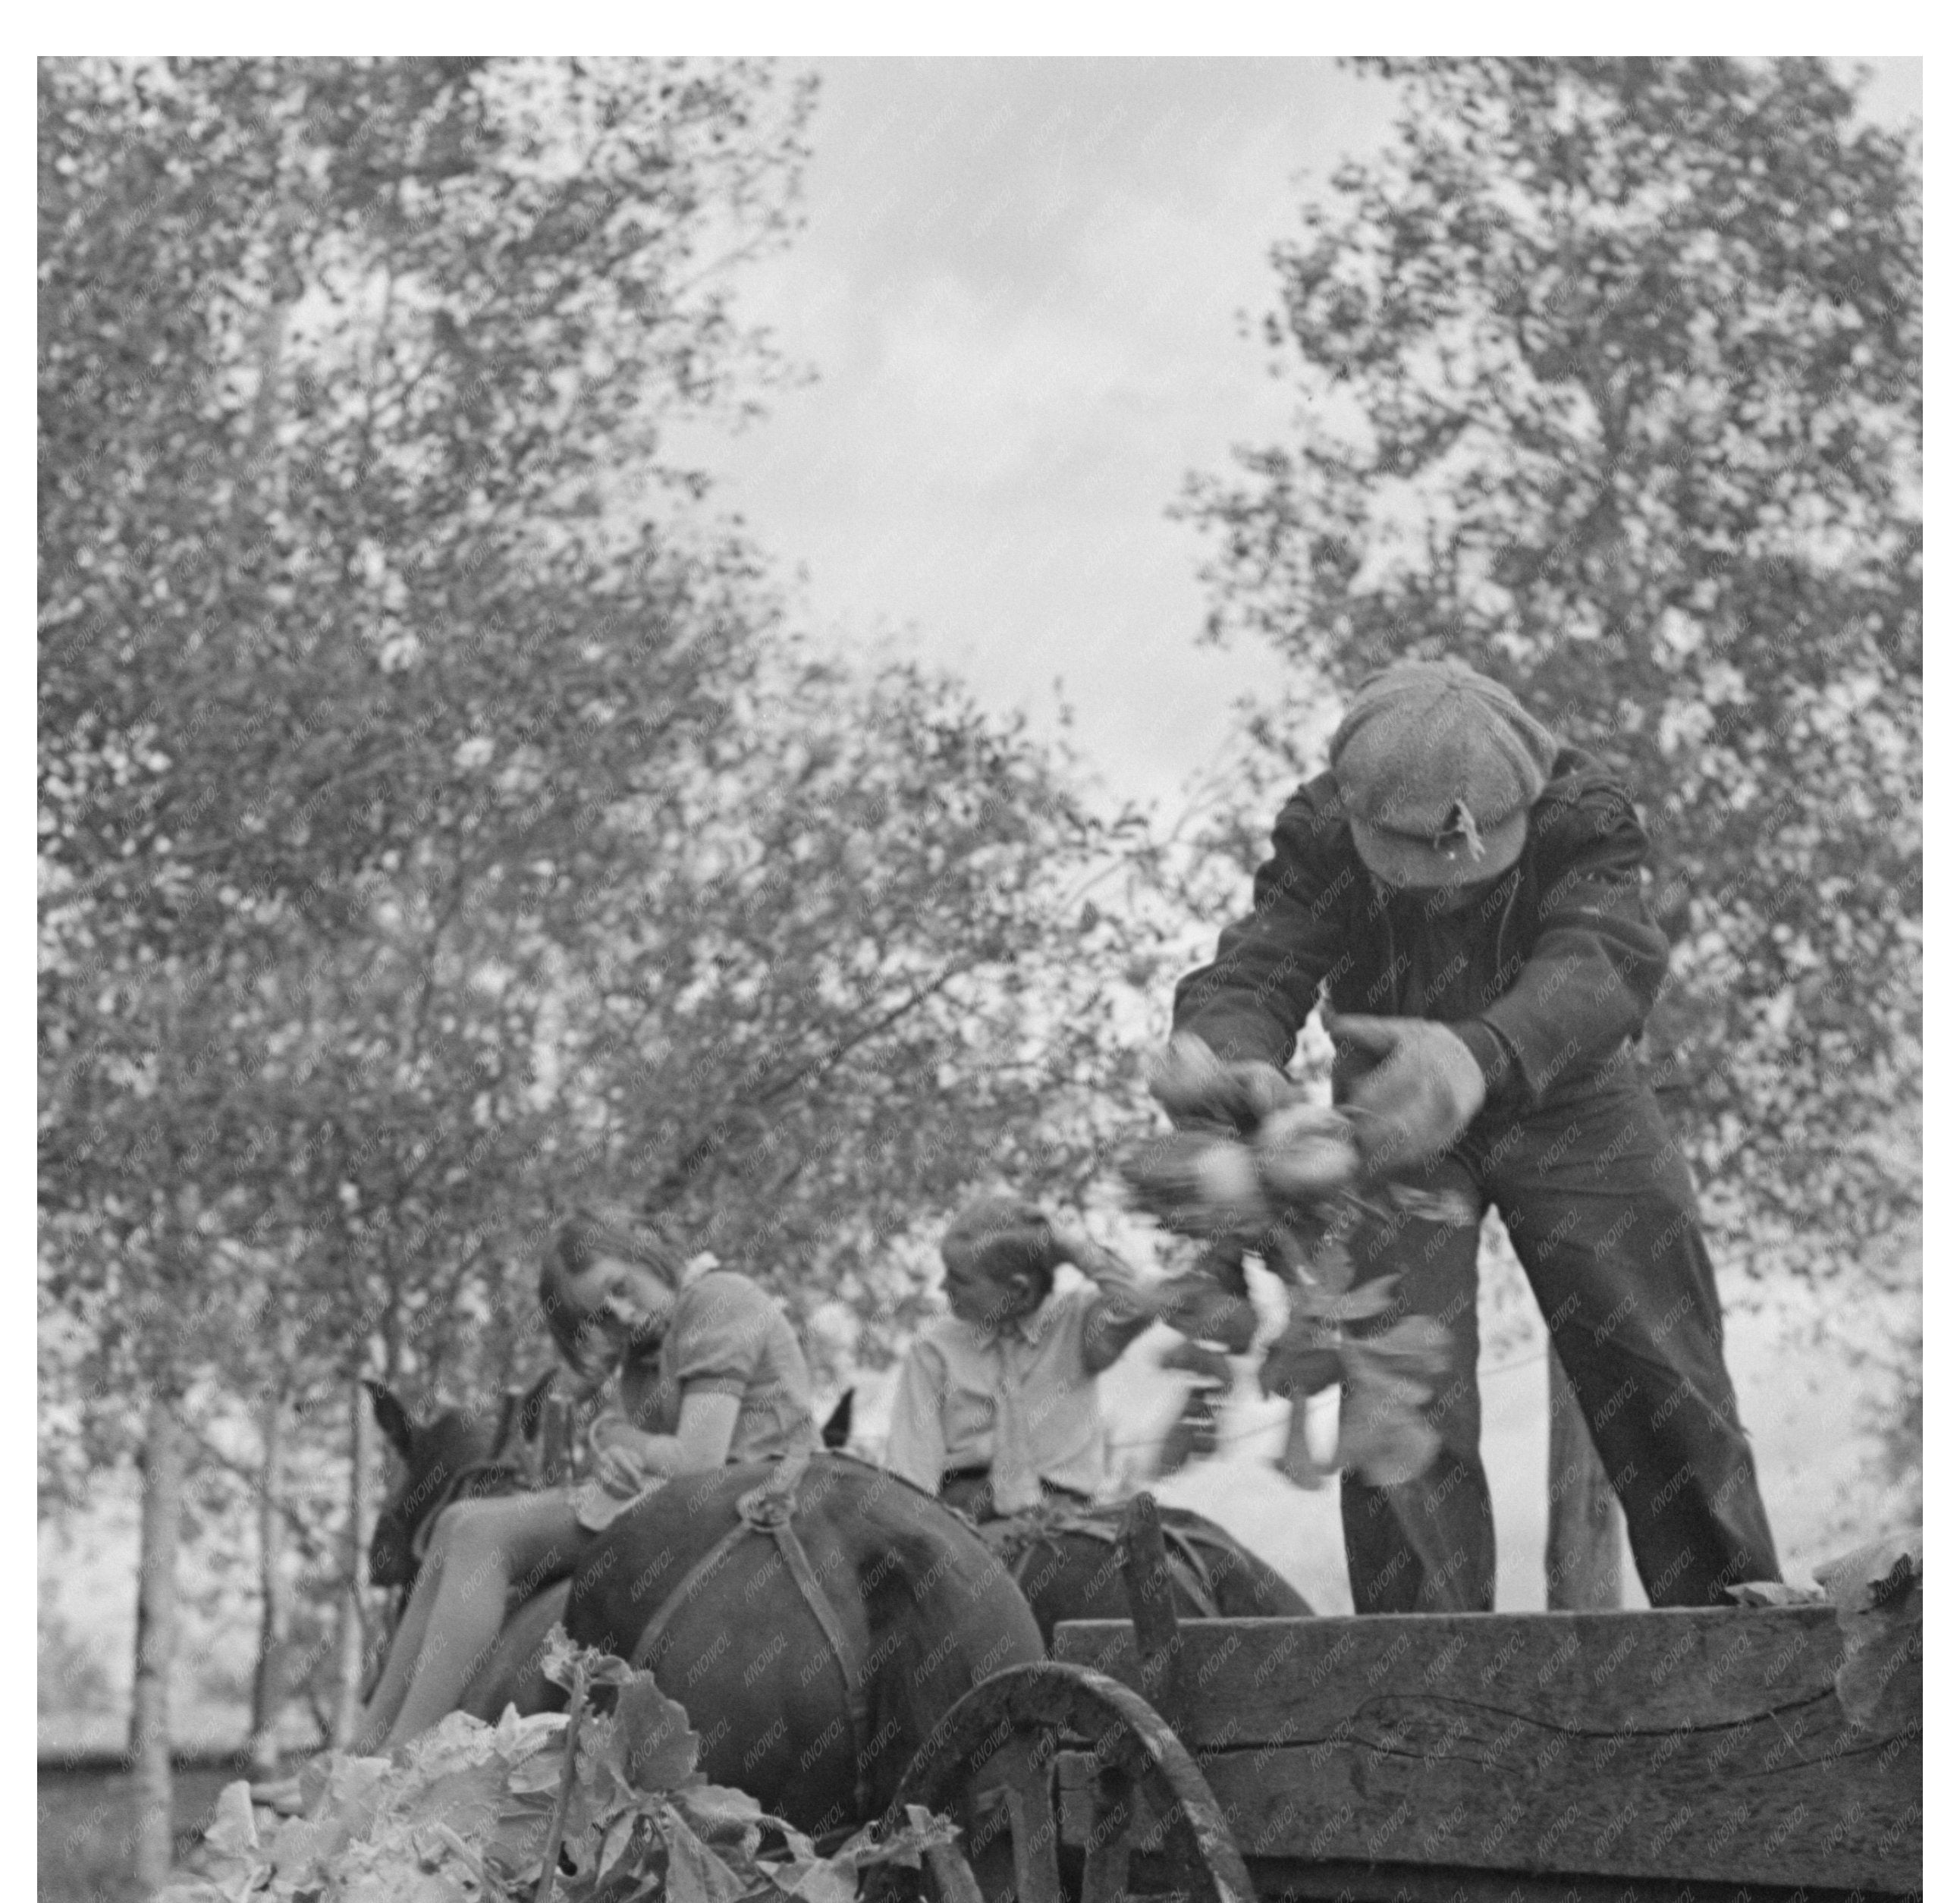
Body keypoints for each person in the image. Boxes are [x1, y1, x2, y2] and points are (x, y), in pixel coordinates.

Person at [1170, 657, 1779, 1613]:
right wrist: (1228, 1065)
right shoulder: (1323, 837)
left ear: (1522, 810)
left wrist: (1478, 1053)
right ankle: (1426, 1690)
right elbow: (1254, 972)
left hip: (1568, 1091)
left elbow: (1604, 960)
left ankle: (1741, 1651)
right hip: (1384, 1114)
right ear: (1361, 821)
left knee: (1660, 1366)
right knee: (1399, 1398)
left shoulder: (1583, 817)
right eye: (1410, 870)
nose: (1442, 895)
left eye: (1463, 871)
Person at [347, 1210, 815, 1755]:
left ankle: (405, 1754)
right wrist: (613, 1446)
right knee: (454, 1520)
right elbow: (634, 1450)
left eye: (621, 1288)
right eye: (603, 1316)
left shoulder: (719, 1301)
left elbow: (696, 1461)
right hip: (689, 1502)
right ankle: (362, 1744)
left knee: (483, 1536)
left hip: (750, 1503)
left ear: (646, 1252)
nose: (621, 1314)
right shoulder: (646, 1354)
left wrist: (617, 1439)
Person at [882, 1194, 1156, 1515]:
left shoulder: (1078, 1325)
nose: (943, 1287)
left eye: (959, 1278)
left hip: (1064, 1515)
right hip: (965, 1515)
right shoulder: (933, 1349)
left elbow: (1144, 1301)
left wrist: (1070, 1245)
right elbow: (910, 1473)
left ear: (1019, 1290)